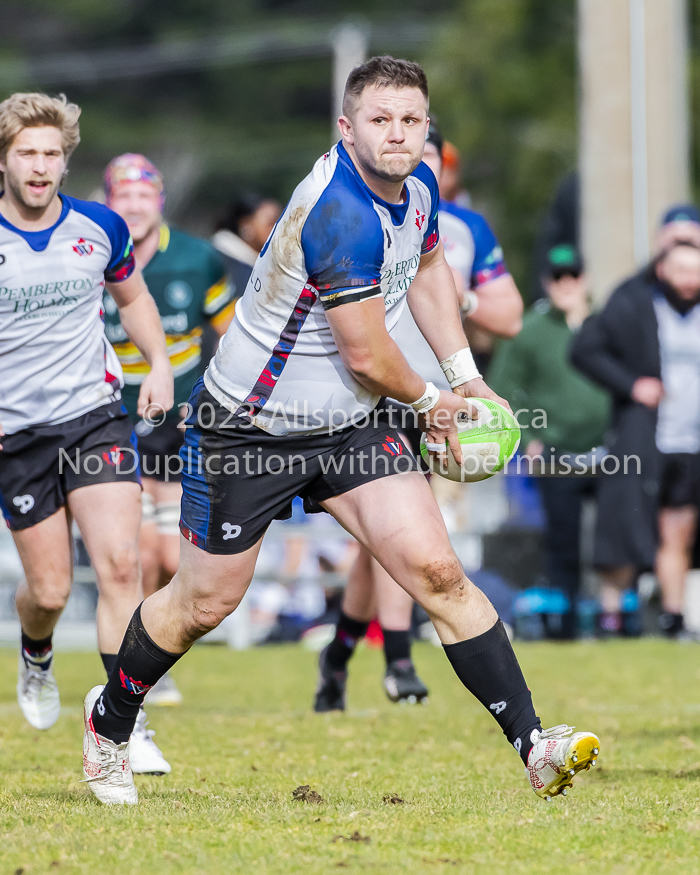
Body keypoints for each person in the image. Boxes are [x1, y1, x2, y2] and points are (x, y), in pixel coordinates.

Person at [81, 56, 599, 806]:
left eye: (411, 120)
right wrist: (433, 402)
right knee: (203, 603)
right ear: (346, 128)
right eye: (380, 120)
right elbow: (366, 351)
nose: (397, 135)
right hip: (249, 428)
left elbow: (427, 273)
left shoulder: (418, 187)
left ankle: (535, 743)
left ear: (427, 129)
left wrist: (463, 373)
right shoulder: (339, 212)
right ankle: (111, 719)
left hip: (350, 423)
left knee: (439, 572)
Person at [315, 121, 524, 710]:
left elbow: (508, 317)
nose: (415, 158)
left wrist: (459, 295)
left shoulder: (462, 228)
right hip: (373, 388)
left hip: (440, 398)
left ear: (444, 168)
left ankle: (344, 656)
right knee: (392, 535)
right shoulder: (349, 211)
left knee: (386, 540)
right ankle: (398, 660)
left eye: (429, 152)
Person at [0, 93, 173, 774]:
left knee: (122, 565)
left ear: (65, 159)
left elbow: (133, 298)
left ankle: (127, 721)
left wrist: (158, 364)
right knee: (49, 591)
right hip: (17, 435)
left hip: (96, 415)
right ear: (4, 159)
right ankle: (36, 654)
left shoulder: (100, 227)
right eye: (26, 154)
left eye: (50, 154)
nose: (40, 167)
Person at [103, 153, 235, 706]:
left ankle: (148, 656)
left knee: (165, 558)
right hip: (112, 420)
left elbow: (231, 338)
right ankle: (140, 669)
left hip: (181, 421)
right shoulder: (94, 254)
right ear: (109, 202)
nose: (133, 206)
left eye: (143, 195)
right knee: (133, 554)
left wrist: (216, 401)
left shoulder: (198, 259)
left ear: (159, 201)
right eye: (122, 196)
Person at [571, 239, 700, 637]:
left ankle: (673, 617)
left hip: (690, 441)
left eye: (696, 272)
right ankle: (611, 616)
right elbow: (585, 350)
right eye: (681, 271)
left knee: (677, 530)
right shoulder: (634, 301)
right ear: (662, 270)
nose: (689, 281)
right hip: (642, 438)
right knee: (624, 525)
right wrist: (632, 385)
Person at [488, 244, 610, 639]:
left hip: (610, 450)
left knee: (614, 538)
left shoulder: (606, 325)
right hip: (557, 452)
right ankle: (567, 623)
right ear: (546, 282)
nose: (566, 284)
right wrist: (528, 437)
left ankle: (615, 619)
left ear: (584, 279)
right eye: (557, 277)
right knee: (564, 541)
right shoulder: (530, 330)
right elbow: (503, 389)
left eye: (572, 275)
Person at [211, 193, 282, 296]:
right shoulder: (217, 258)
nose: (277, 230)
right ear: (247, 224)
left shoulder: (264, 273)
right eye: (271, 223)